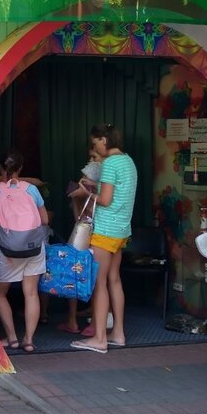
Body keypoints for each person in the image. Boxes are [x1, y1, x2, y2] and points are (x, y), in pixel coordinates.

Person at [71, 124, 138, 353]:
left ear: (104, 140)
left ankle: (99, 338)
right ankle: (118, 333)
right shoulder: (128, 161)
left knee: (99, 283)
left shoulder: (109, 164)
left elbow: (106, 200)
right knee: (114, 280)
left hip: (105, 230)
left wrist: (87, 191)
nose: (95, 147)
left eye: (95, 142)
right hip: (121, 230)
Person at [0, 150, 49, 354]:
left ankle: (12, 338)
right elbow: (45, 220)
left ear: (0, 167)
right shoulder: (31, 189)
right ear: (21, 168)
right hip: (33, 248)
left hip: (7, 250)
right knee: (31, 293)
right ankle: (29, 340)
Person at [60, 146, 104, 334]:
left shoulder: (93, 185)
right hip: (94, 232)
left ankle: (78, 321)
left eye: (94, 157)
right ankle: (90, 320)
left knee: (80, 271)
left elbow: (78, 216)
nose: (91, 161)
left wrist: (80, 195)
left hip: (86, 232)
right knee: (91, 274)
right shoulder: (101, 186)